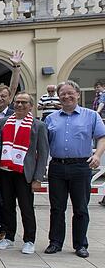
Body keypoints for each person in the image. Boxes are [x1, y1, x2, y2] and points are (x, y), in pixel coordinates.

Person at [44, 80, 105, 258]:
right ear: (58, 96)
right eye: (62, 93)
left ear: (77, 94)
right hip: (57, 166)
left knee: (80, 208)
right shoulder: (50, 118)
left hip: (81, 166)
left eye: (70, 93)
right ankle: (55, 242)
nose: (66, 96)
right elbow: (44, 143)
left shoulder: (91, 115)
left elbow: (102, 137)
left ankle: (80, 244)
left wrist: (97, 155)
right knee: (56, 208)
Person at [0, 92, 49, 254]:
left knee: (26, 207)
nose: (19, 105)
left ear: (30, 106)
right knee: (7, 206)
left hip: (24, 172)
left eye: (24, 102)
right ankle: (9, 237)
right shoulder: (4, 122)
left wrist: (38, 177)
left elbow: (43, 153)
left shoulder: (38, 125)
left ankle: (29, 240)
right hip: (5, 171)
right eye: (17, 102)